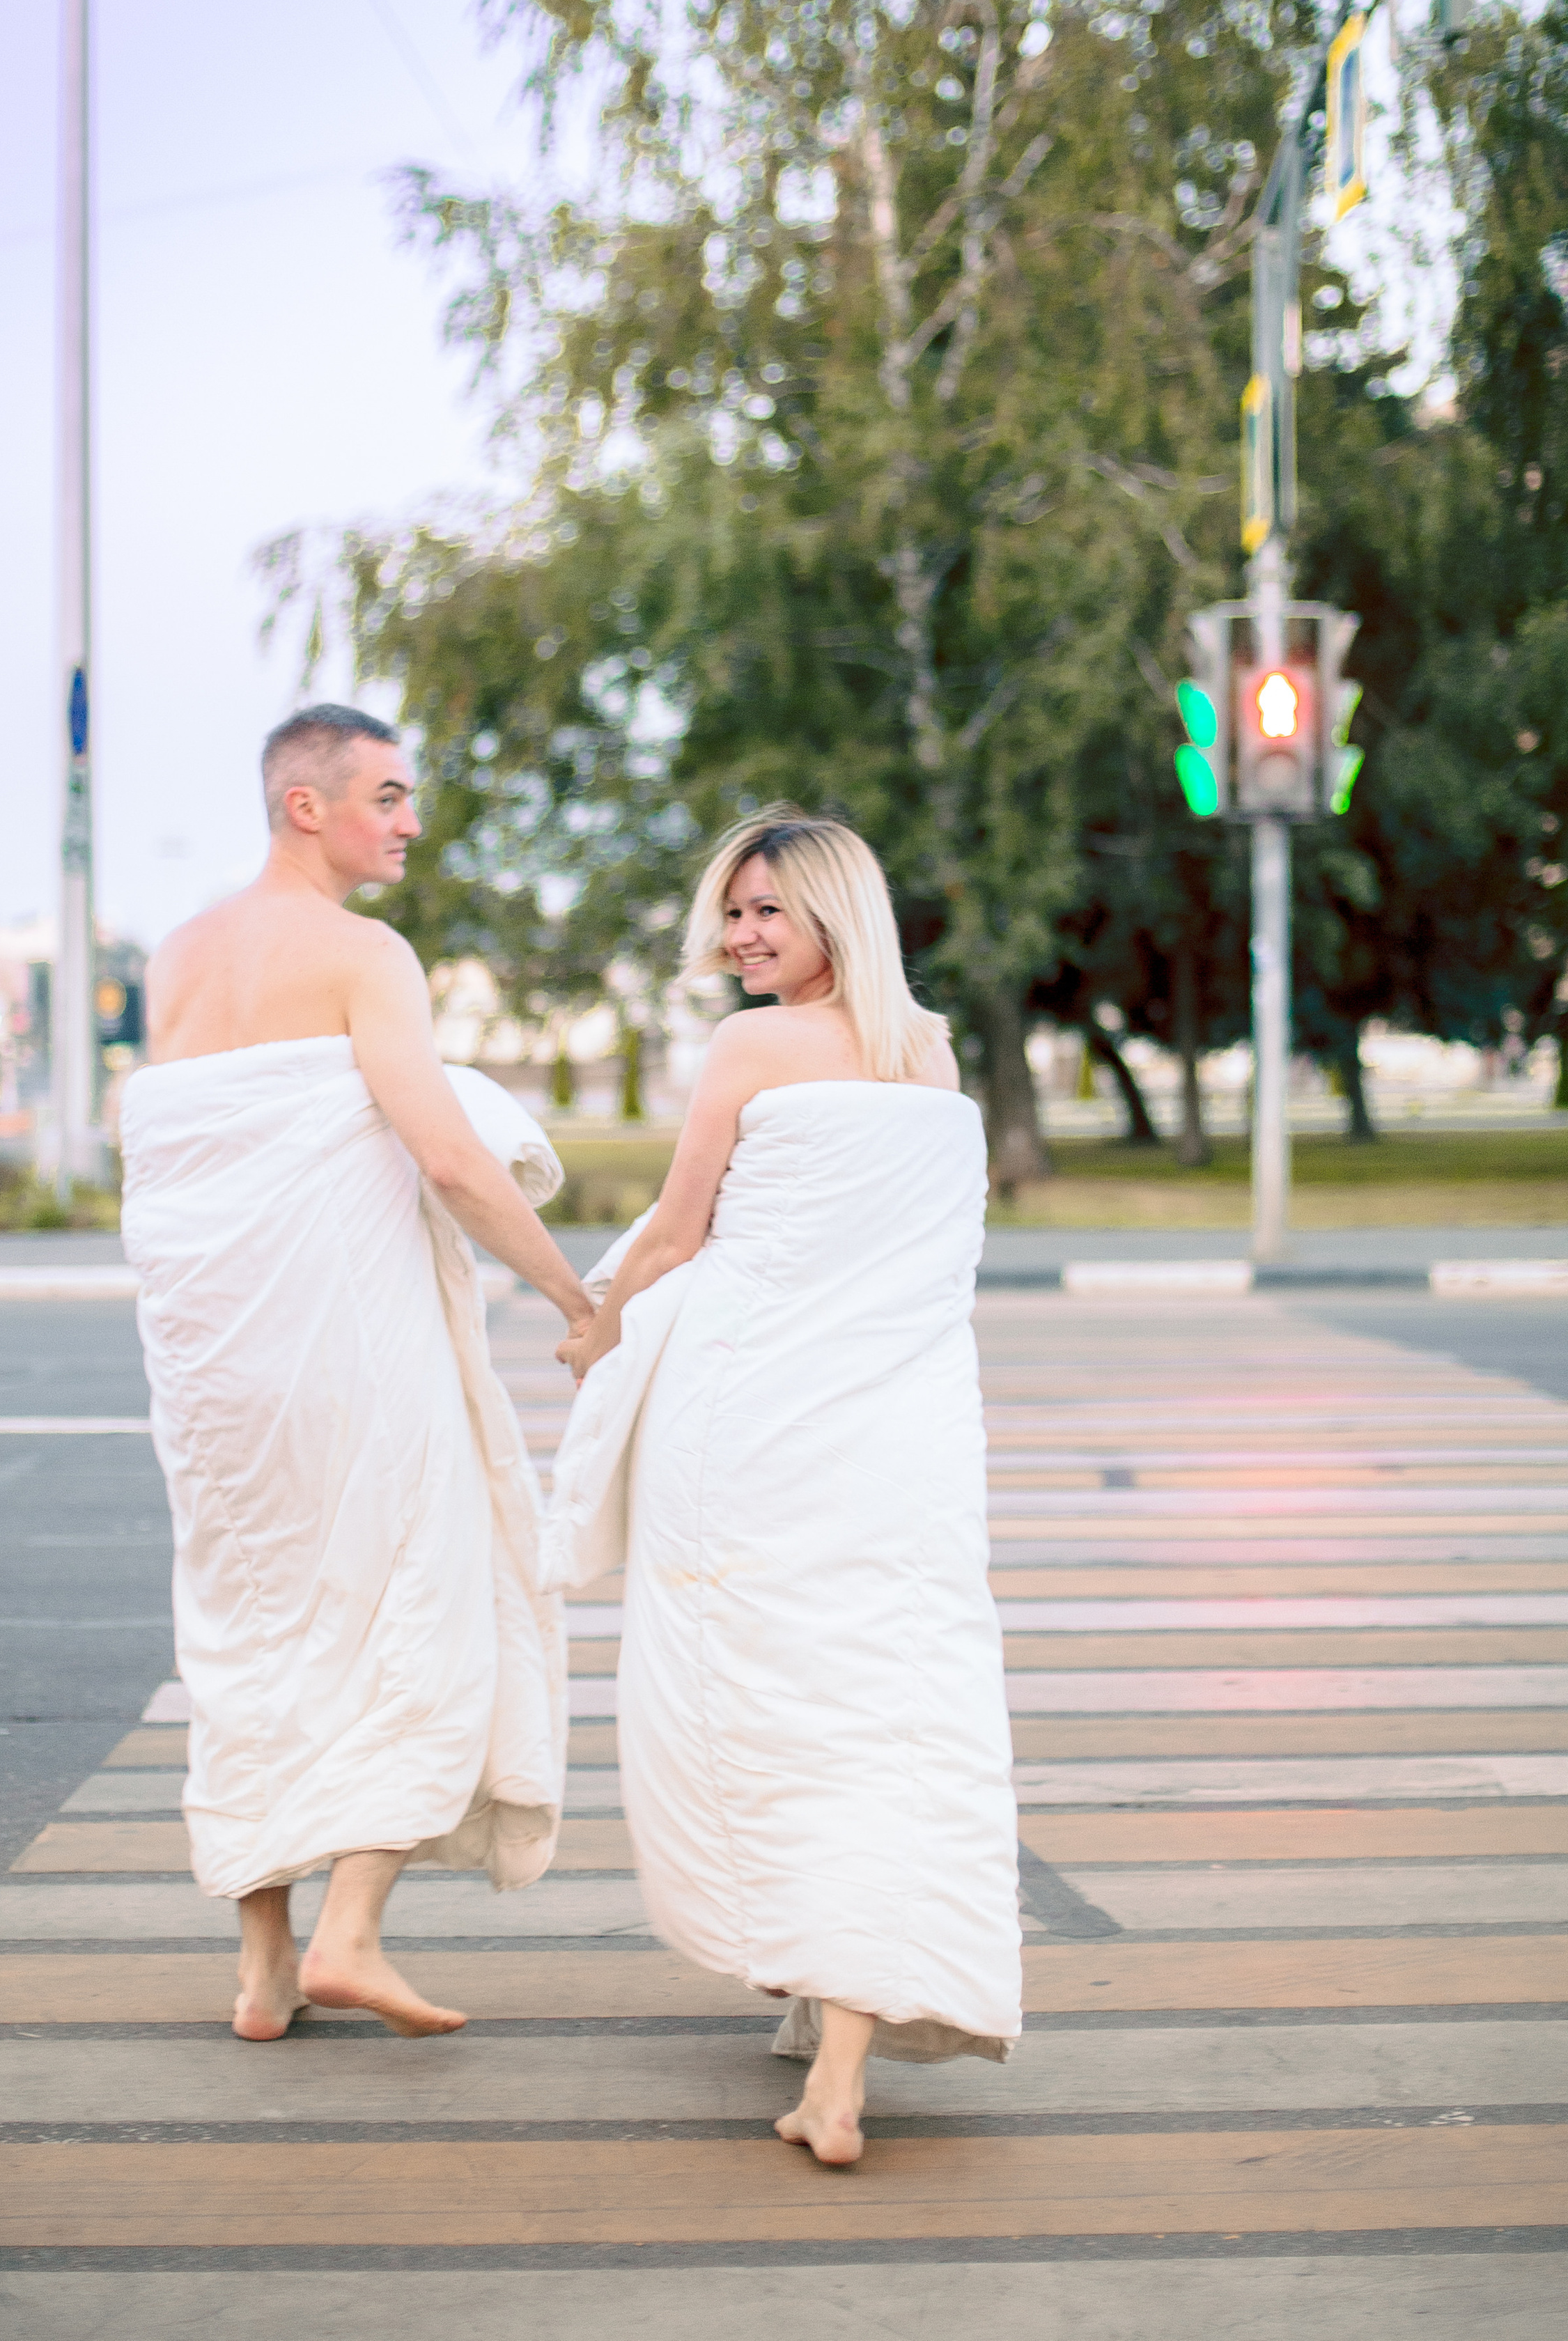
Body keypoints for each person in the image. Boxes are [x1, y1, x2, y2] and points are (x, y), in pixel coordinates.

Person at [550, 808, 1020, 2164]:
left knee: (764, 1704)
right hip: (895, 1445)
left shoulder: (749, 1048)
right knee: (884, 1708)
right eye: (731, 913)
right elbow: (932, 1264)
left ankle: (821, 2017)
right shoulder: (925, 1052)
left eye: (764, 910)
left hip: (752, 1434)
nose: (738, 935)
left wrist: (592, 1327)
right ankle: (839, 2042)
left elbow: (681, 1229)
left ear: (831, 912)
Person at [121, 703, 596, 2042]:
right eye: (387, 796)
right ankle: (350, 1932)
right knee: (421, 1598)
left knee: (250, 1627)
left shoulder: (179, 955)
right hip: (340, 1351)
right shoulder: (362, 953)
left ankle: (264, 1972)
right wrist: (575, 1296)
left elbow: (186, 1163)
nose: (409, 821)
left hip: (216, 1365)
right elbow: (444, 1155)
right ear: (304, 806)